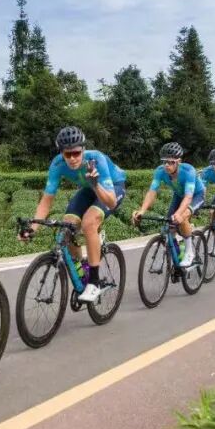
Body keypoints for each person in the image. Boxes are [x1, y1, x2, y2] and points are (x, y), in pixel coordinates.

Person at [21, 126, 126, 303]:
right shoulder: (57, 164)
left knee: (89, 223)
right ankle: (82, 269)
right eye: (67, 154)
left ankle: (94, 282)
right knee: (67, 226)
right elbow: (46, 201)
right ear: (61, 152)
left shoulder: (96, 159)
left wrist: (95, 184)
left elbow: (111, 202)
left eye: (76, 153)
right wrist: (32, 228)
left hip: (111, 188)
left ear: (83, 149)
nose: (72, 158)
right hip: (88, 188)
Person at [131, 142, 205, 267]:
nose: (166, 165)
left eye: (171, 162)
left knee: (182, 218)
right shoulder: (160, 171)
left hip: (196, 195)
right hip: (179, 195)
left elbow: (188, 197)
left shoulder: (188, 171)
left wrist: (179, 213)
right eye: (164, 161)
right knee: (168, 228)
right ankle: (178, 256)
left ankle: (189, 253)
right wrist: (142, 210)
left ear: (178, 161)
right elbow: (152, 192)